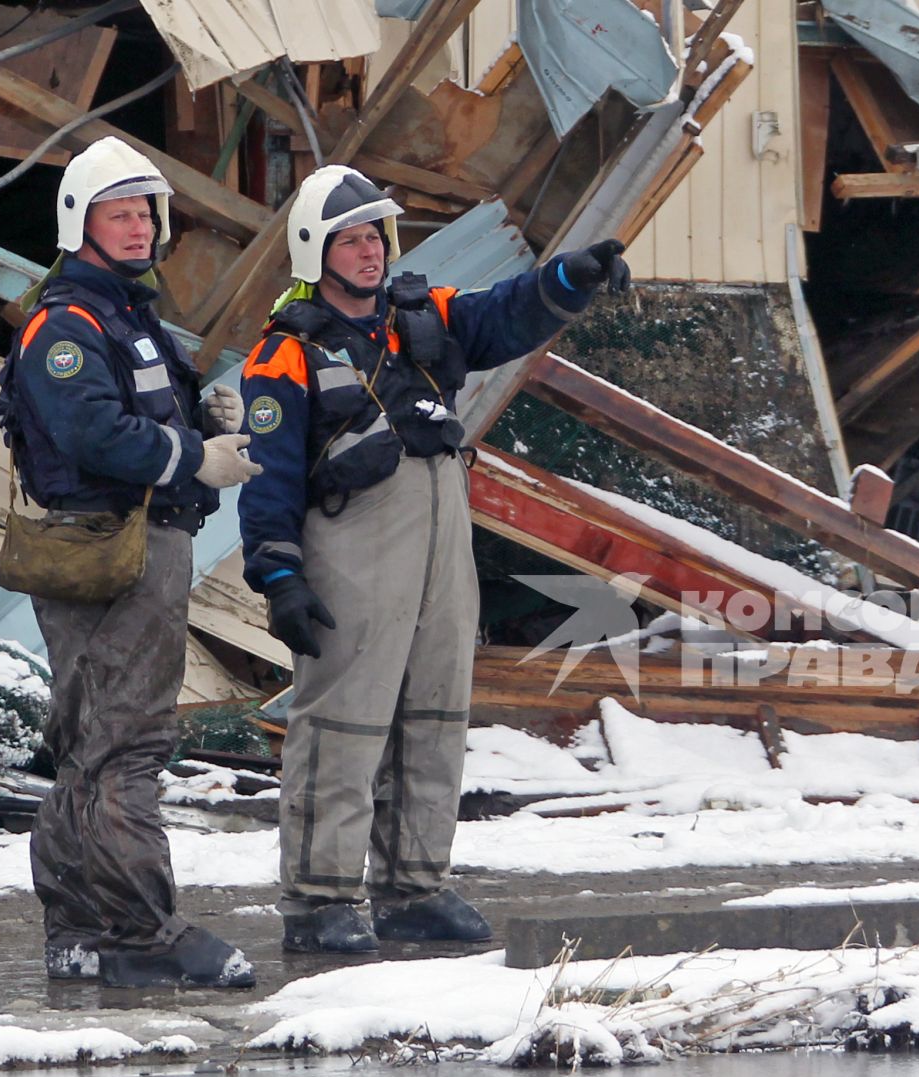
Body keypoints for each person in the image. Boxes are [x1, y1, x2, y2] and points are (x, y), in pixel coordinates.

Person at [238, 165, 630, 953]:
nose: (369, 252)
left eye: (375, 237)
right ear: (317, 250)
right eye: (350, 240)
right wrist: (279, 577)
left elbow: (506, 315)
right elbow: (266, 479)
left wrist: (568, 277)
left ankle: (415, 887)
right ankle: (319, 900)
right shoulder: (283, 357)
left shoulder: (429, 318)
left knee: (436, 713)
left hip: (439, 543)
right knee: (343, 723)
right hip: (353, 551)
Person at [0, 137, 262, 988]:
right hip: (111, 553)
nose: (141, 225)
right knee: (127, 743)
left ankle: (79, 930)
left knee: (92, 743)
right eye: (121, 212)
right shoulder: (65, 325)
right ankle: (143, 932)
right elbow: (93, 433)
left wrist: (199, 408)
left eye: (147, 210)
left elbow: (135, 408)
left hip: (142, 546)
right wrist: (195, 457)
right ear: (81, 221)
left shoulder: (126, 316)